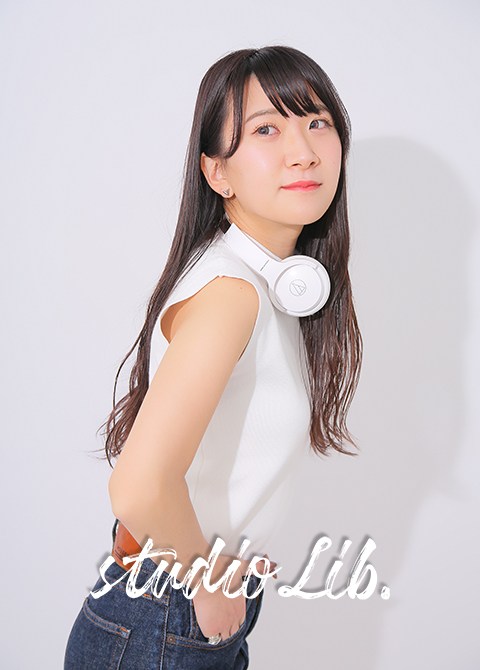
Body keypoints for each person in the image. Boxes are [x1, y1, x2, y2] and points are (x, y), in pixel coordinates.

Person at [64, 45, 362, 669]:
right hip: (166, 615)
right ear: (217, 171)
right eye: (266, 130)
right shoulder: (231, 293)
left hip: (174, 611)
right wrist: (206, 580)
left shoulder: (262, 284)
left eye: (317, 122)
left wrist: (230, 555)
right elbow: (139, 485)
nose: (303, 151)